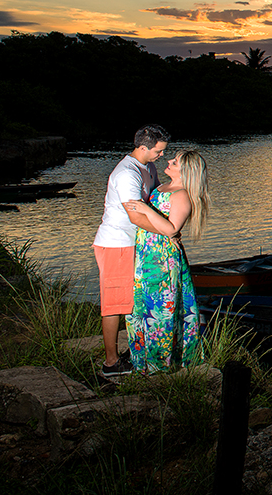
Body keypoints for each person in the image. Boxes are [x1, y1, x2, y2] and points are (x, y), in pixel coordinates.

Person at [92, 124, 169, 376]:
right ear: (143, 147)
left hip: (133, 243)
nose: (162, 156)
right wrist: (168, 232)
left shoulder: (148, 166)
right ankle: (111, 364)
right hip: (116, 244)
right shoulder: (127, 174)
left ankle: (137, 351)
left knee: (132, 301)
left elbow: (156, 196)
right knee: (114, 305)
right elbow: (135, 216)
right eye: (159, 151)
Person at [125, 149, 209, 373]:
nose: (169, 161)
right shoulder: (162, 186)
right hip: (146, 253)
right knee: (140, 307)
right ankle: (140, 361)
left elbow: (171, 229)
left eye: (175, 162)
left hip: (162, 259)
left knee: (160, 311)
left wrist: (144, 209)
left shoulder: (181, 195)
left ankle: (159, 366)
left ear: (187, 172)